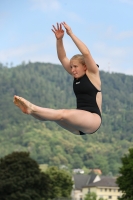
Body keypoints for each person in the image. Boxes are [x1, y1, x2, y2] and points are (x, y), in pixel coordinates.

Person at [14, 22, 102, 135]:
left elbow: (86, 53)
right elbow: (62, 57)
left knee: (62, 114)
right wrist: (59, 40)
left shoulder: (93, 74)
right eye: (71, 67)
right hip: (79, 126)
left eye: (75, 67)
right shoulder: (76, 75)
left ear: (85, 66)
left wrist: (71, 34)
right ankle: (30, 111)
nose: (72, 70)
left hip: (93, 119)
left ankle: (32, 108)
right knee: (55, 117)